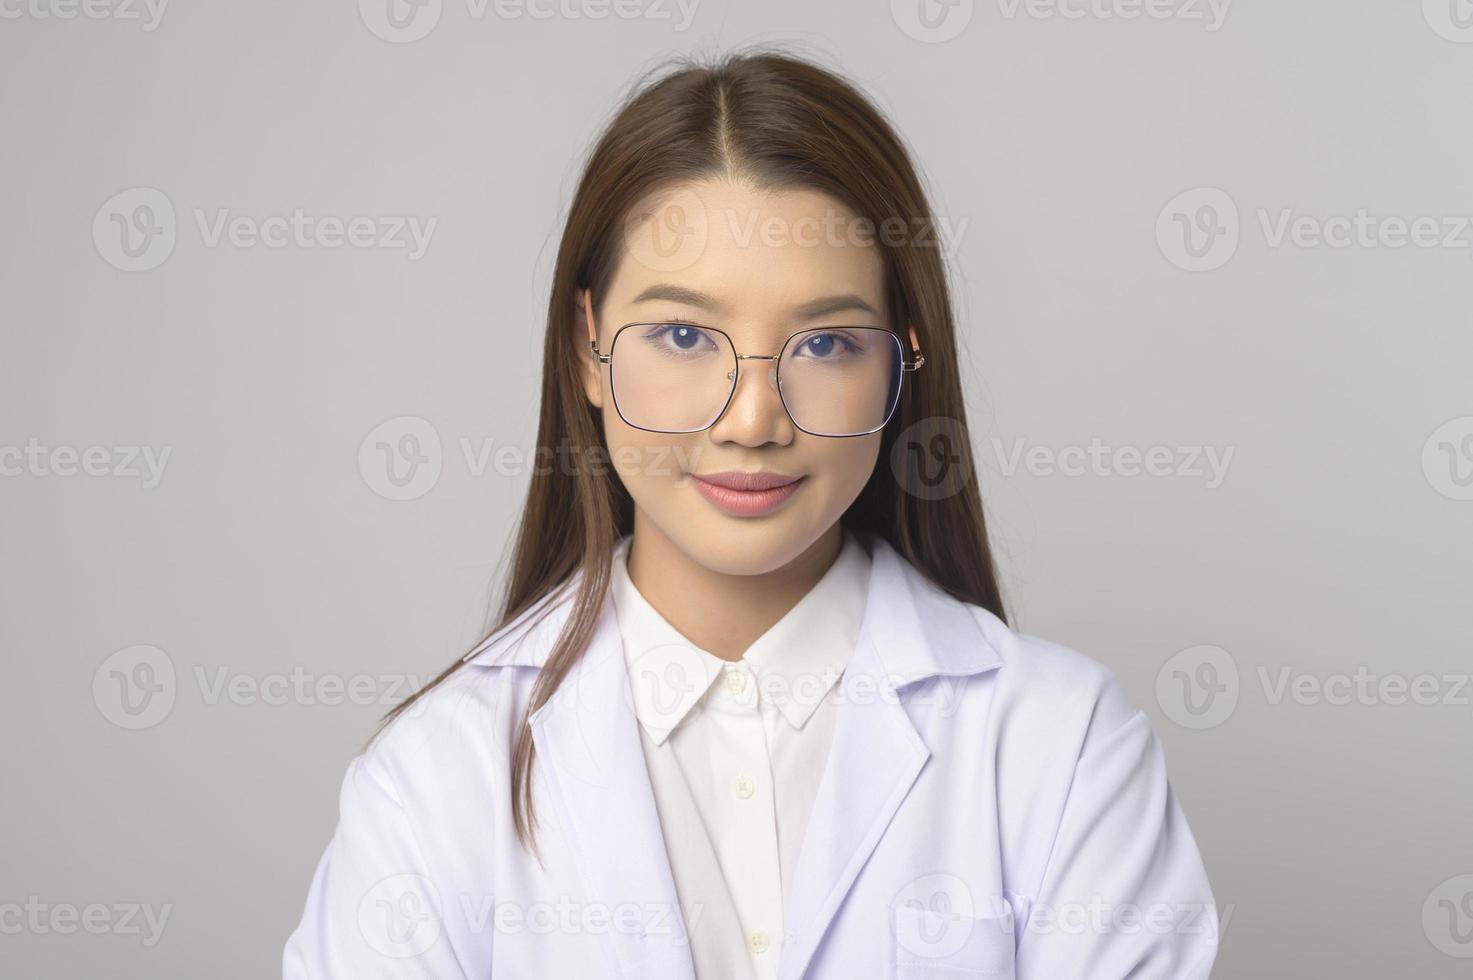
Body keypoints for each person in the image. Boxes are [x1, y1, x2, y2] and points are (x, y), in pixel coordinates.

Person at [284, 48, 1219, 980]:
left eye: (824, 342)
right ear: (587, 348)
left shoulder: (1060, 746)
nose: (751, 420)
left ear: (904, 360)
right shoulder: (438, 778)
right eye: (683, 335)